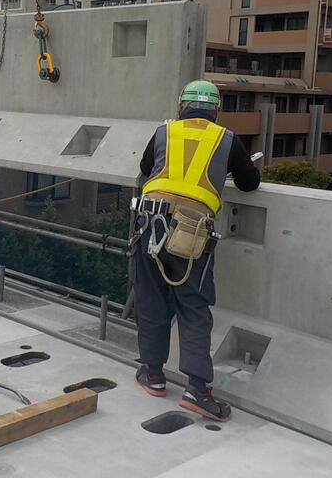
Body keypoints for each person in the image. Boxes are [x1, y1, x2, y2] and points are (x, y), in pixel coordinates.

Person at [132, 80, 260, 422]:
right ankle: (198, 390)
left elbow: (147, 169)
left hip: (150, 223)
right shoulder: (226, 139)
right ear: (215, 111)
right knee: (193, 305)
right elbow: (250, 182)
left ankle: (153, 374)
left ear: (181, 107)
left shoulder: (164, 132)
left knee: (151, 298)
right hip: (192, 231)